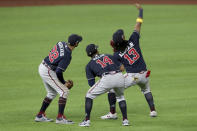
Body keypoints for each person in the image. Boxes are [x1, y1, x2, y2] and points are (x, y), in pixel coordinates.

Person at [101, 4, 157, 120]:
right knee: (146, 90)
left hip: (133, 77)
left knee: (112, 88)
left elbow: (120, 69)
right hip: (145, 74)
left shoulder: (117, 55)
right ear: (124, 37)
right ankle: (153, 111)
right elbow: (138, 24)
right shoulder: (133, 39)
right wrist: (141, 10)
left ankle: (112, 113)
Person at [35, 34, 82, 124]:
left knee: (52, 93)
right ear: (76, 44)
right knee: (64, 91)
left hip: (43, 65)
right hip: (48, 71)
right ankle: (60, 118)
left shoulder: (61, 43)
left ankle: (40, 115)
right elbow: (59, 72)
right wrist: (63, 83)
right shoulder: (67, 55)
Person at [79, 44, 129, 127]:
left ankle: (86, 121)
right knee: (120, 97)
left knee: (89, 95)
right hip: (119, 76)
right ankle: (125, 120)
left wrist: (103, 82)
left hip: (107, 79)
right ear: (97, 51)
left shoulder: (89, 65)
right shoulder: (108, 55)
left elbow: (91, 84)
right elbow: (122, 68)